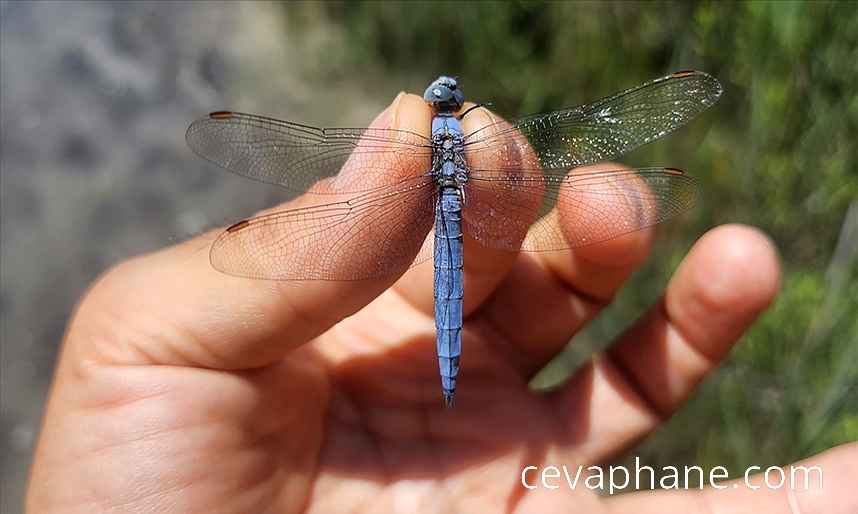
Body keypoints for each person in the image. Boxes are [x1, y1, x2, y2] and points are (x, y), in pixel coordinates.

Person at [26, 93, 856, 513]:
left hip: (457, 221)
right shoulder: (447, 146)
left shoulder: (436, 148)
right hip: (458, 226)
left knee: (596, 210)